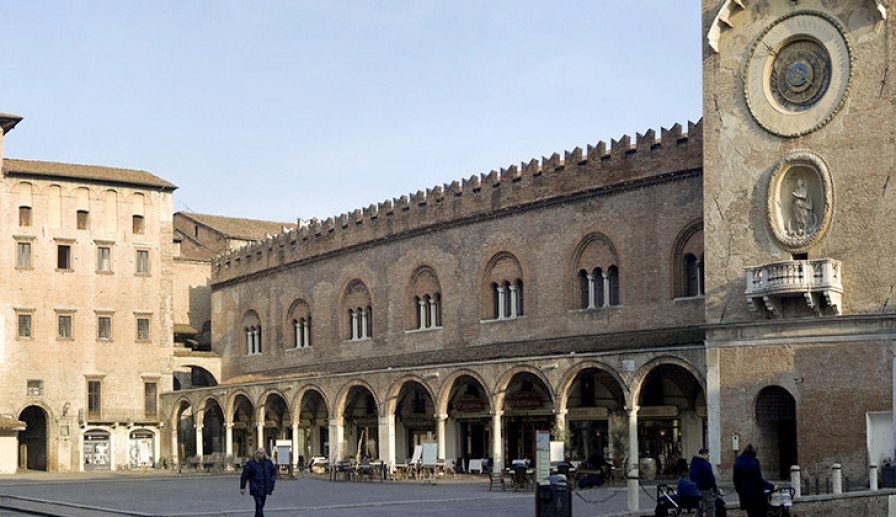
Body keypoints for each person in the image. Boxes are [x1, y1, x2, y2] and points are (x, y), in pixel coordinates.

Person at [733, 444, 775, 517]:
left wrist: (739, 490)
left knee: (751, 513)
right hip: (756, 494)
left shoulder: (738, 462)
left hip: (744, 494)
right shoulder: (754, 462)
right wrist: (772, 486)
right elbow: (758, 479)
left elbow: (735, 480)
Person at [240, 447, 277, 517]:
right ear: (256, 453)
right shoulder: (251, 463)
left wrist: (272, 482)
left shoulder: (268, 462)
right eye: (258, 453)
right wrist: (242, 487)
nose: (260, 455)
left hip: (265, 488)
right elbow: (244, 476)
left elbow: (273, 472)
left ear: (264, 454)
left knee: (260, 506)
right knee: (259, 504)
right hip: (255, 487)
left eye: (261, 453)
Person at [689, 448, 718, 517]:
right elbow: (710, 478)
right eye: (708, 454)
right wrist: (714, 489)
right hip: (704, 488)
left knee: (699, 508)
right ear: (704, 454)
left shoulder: (693, 463)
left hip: (695, 488)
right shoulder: (705, 464)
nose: (709, 456)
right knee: (710, 507)